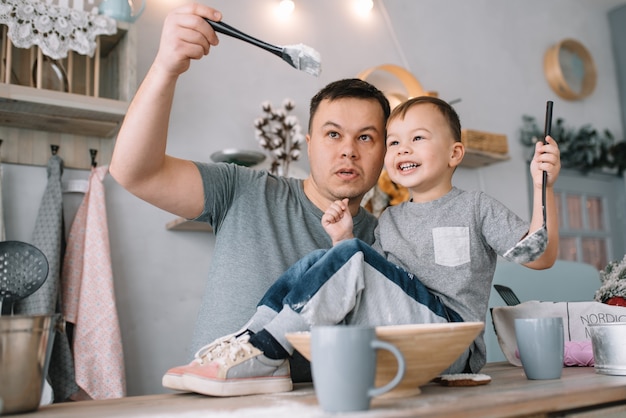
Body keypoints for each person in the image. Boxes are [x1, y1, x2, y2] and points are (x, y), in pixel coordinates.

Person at [168, 96, 561, 397]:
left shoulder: (475, 206)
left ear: (454, 153)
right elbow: (378, 290)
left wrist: (545, 187)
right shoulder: (388, 220)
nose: (403, 150)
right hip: (403, 330)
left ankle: (267, 352)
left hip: (449, 337)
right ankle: (250, 344)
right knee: (318, 259)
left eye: (418, 139)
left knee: (347, 255)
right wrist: (342, 241)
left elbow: (540, 256)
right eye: (393, 143)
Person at [108, 3, 390, 386]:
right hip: (215, 404)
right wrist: (166, 67)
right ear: (308, 145)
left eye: (366, 138)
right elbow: (133, 171)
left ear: (385, 151)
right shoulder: (243, 190)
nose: (348, 151)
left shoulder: (386, 242)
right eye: (333, 134)